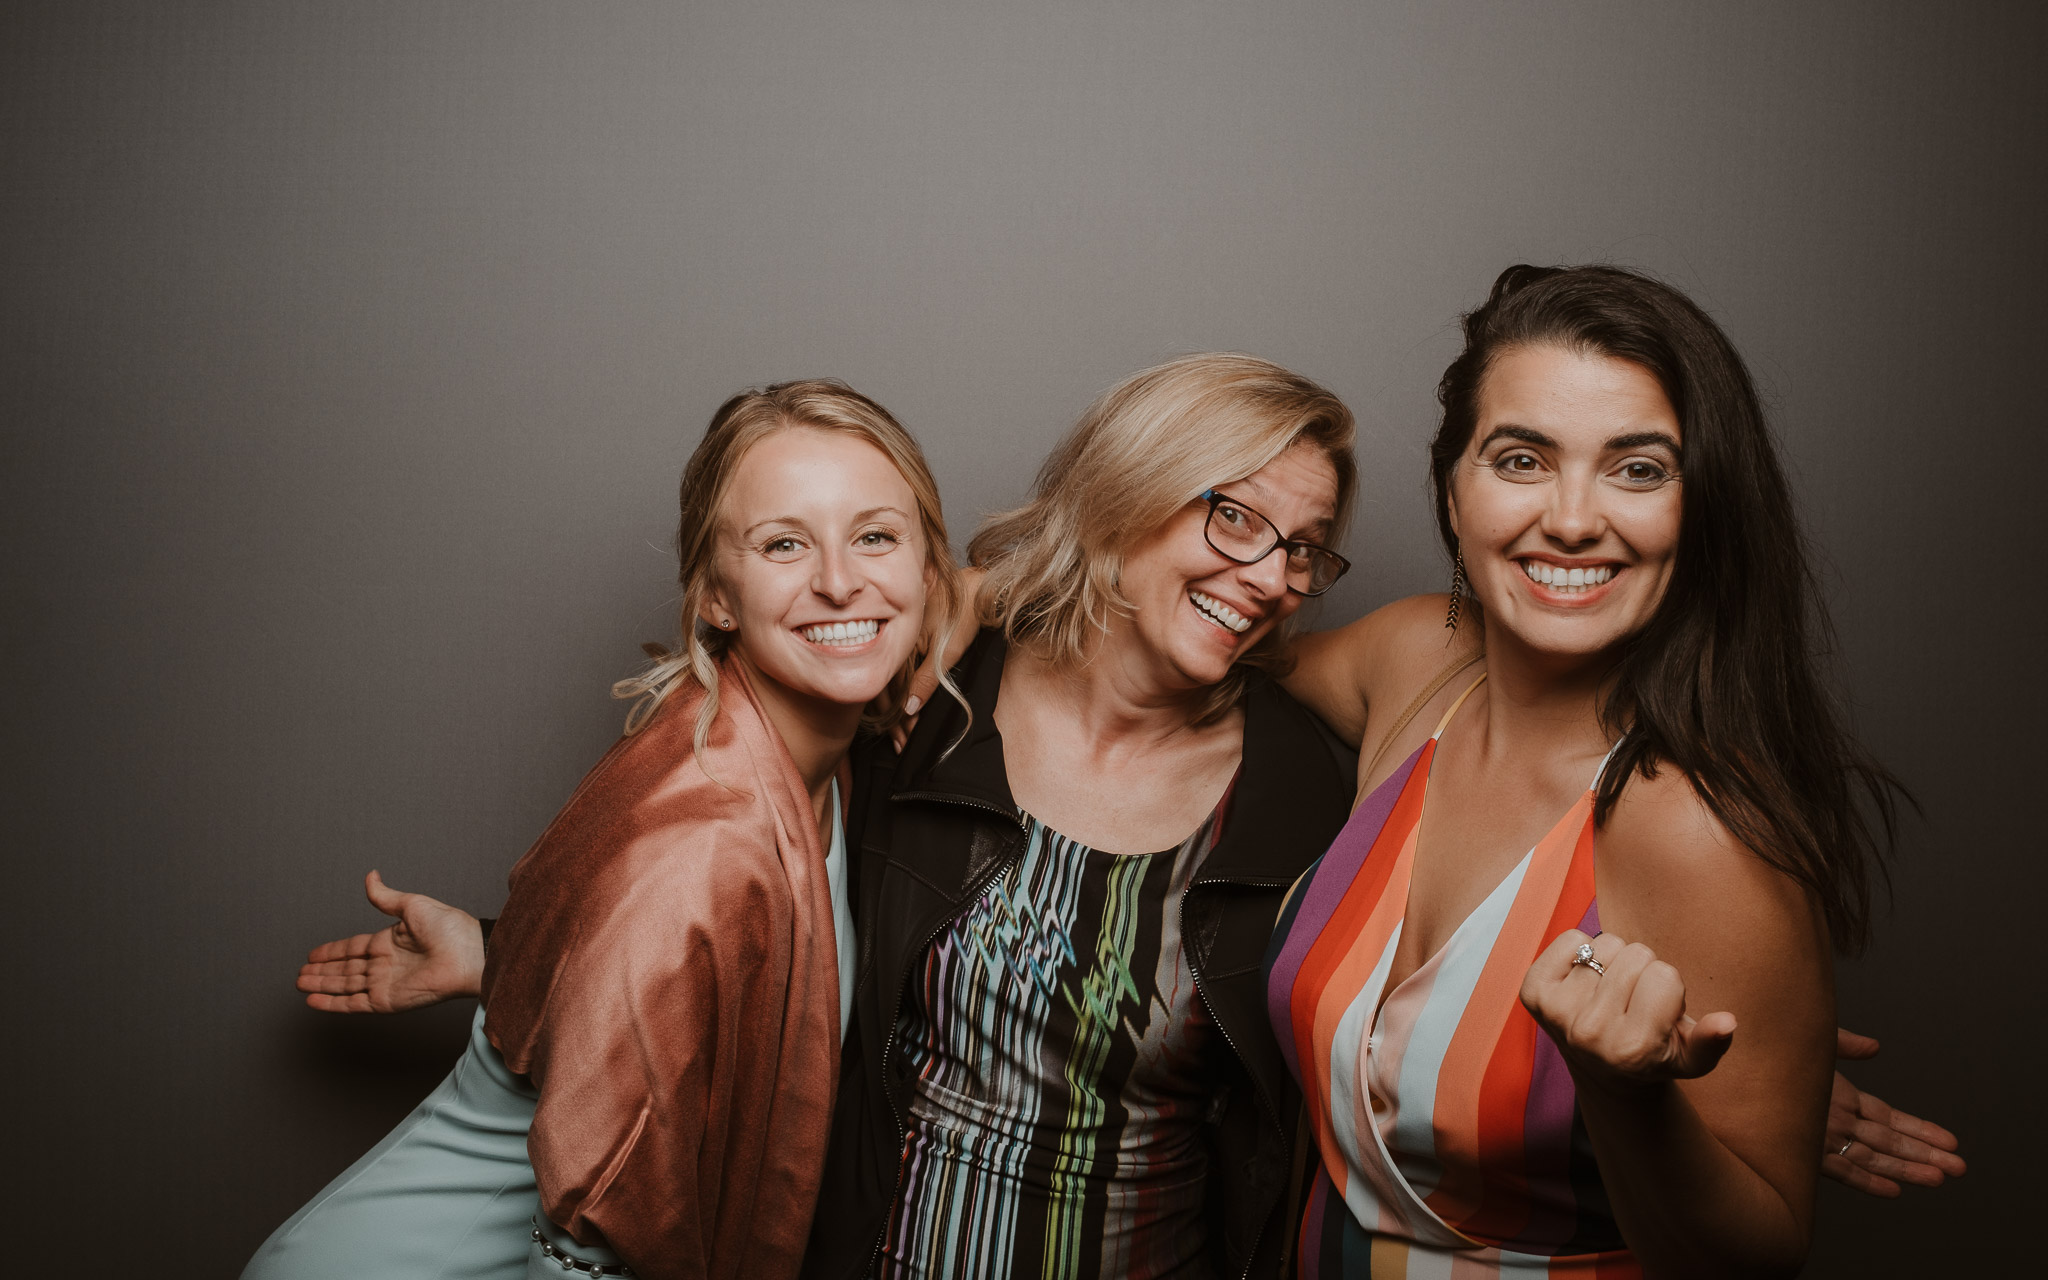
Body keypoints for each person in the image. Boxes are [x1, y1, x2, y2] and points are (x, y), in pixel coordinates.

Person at [1262, 263, 1938, 1277]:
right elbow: (1195, 631)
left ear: (1699, 507)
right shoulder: (1414, 661)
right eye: (1521, 458)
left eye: (1636, 468)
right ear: (1453, 489)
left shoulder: (1696, 828)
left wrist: (1635, 1102)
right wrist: (975, 592)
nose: (1572, 519)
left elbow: (1745, 1261)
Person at [245, 380, 961, 1280]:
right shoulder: (705, 838)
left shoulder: (810, 758)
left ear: (929, 567)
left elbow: (684, 980)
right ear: (717, 598)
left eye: (875, 536)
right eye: (785, 544)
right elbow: (593, 1231)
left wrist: (494, 954)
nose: (839, 579)